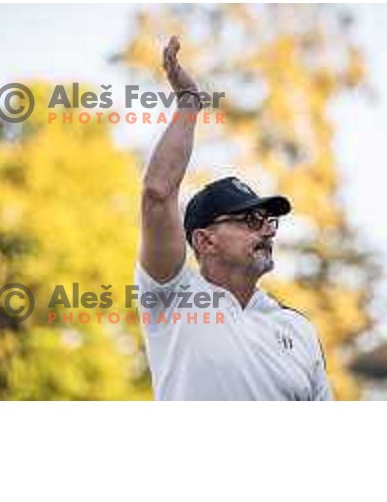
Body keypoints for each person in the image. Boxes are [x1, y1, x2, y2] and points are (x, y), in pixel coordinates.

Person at [134, 36, 332, 401]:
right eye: (251, 220)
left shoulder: (298, 329)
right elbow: (157, 193)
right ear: (205, 241)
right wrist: (190, 101)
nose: (268, 230)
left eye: (269, 220)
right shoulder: (175, 298)